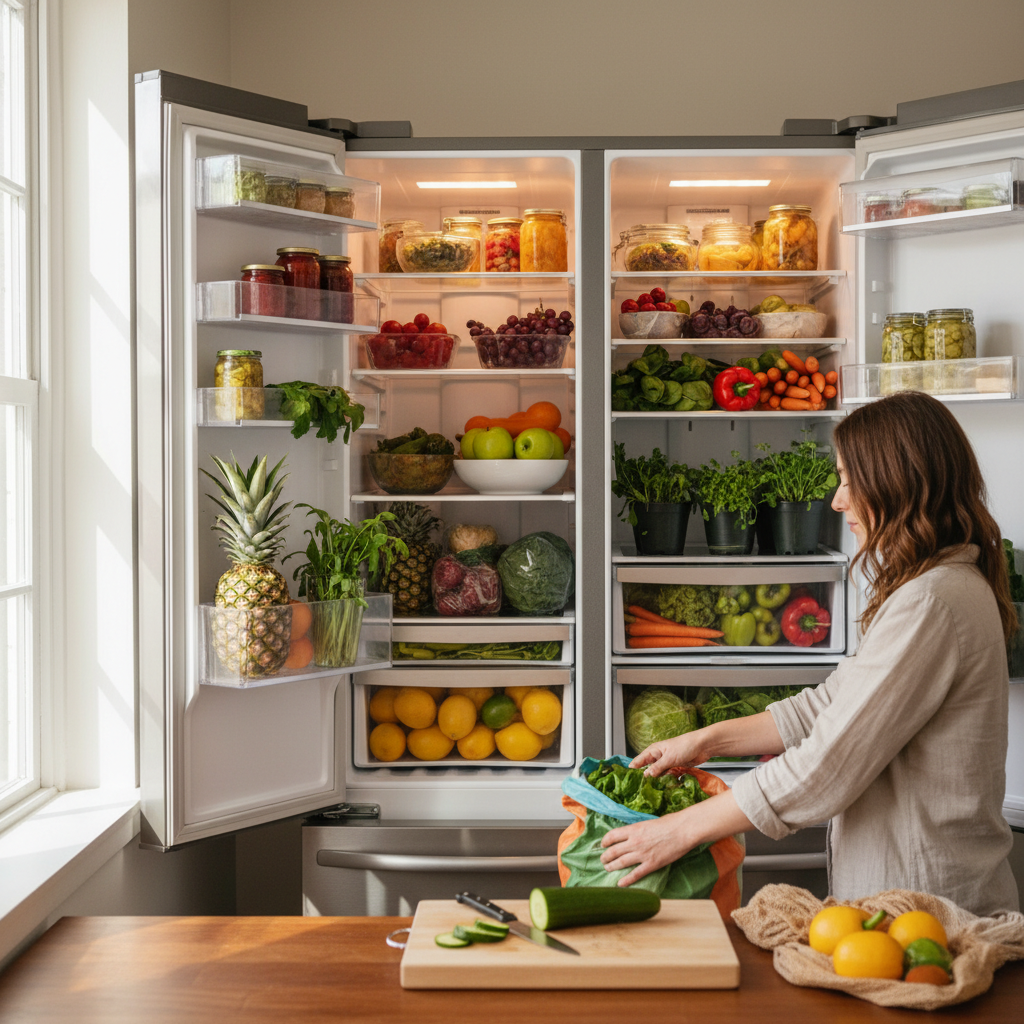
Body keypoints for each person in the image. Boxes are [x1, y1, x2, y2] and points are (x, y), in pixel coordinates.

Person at [600, 390, 1020, 916]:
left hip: (927, 913)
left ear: (897, 480)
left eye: (849, 479)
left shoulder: (932, 601)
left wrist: (679, 830)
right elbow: (829, 705)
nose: (838, 499)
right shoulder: (936, 586)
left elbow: (828, 765)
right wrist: (704, 742)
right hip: (911, 902)